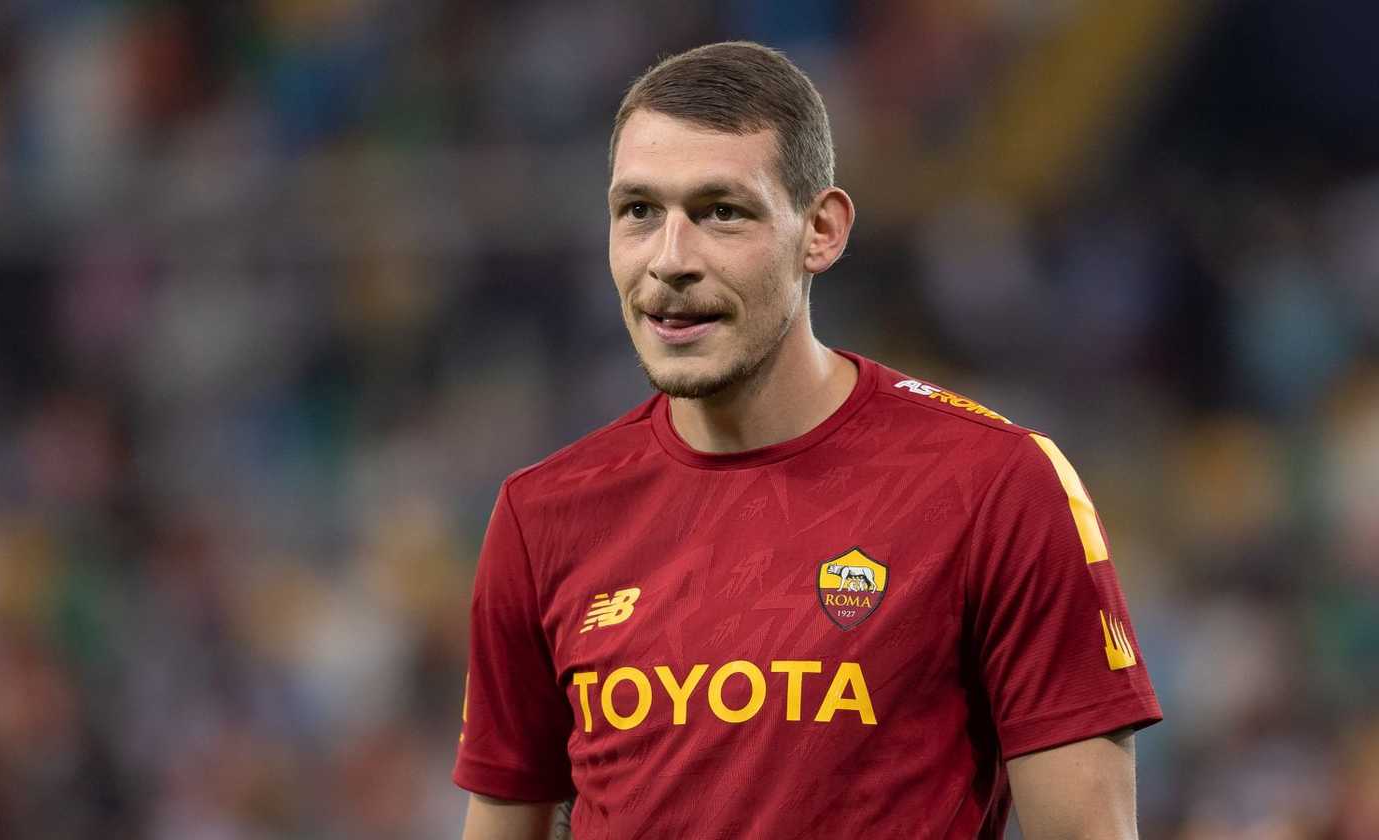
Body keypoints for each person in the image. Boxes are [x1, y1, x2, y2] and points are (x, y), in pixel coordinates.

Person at [454, 41, 1161, 839]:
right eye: (639, 211)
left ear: (820, 231)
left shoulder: (995, 486)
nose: (670, 259)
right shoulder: (542, 516)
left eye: (722, 211)